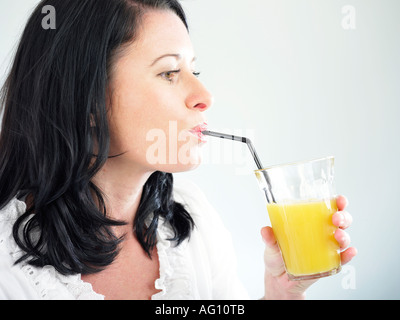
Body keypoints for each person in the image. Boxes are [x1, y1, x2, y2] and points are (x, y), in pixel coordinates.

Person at [0, 0, 356, 300]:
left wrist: (282, 292)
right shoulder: (7, 268)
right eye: (169, 73)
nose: (205, 96)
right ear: (86, 101)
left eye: (194, 69)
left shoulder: (192, 222)